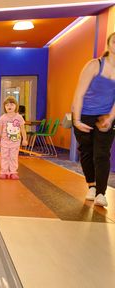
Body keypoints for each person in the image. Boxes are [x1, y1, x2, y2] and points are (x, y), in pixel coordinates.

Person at [71, 32, 115, 207]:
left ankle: (101, 194)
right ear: (109, 44)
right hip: (83, 114)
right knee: (87, 152)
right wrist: (76, 120)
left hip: (105, 116)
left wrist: (110, 118)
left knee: (102, 154)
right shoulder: (94, 65)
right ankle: (91, 184)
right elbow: (79, 94)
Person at [0, 96, 28, 180]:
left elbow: (23, 129)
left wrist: (24, 139)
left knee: (13, 157)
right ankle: (4, 172)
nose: (9, 106)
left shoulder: (19, 117)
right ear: (4, 107)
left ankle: (13, 172)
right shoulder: (3, 117)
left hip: (15, 141)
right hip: (4, 141)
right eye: (7, 105)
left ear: (16, 106)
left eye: (11, 104)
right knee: (4, 156)